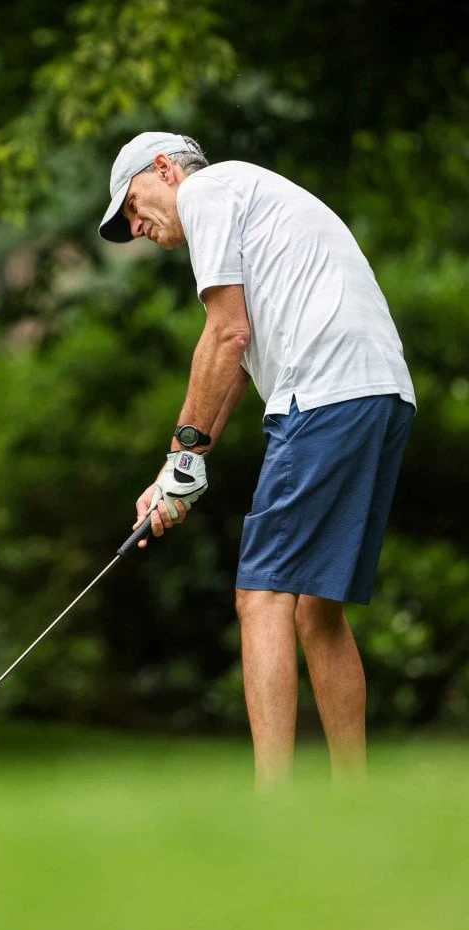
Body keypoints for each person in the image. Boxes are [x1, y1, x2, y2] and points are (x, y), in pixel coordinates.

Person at [98, 132, 416, 787]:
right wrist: (180, 472)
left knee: (261, 595)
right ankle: (353, 796)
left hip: (325, 396)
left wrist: (177, 457)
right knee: (314, 609)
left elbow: (225, 332)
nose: (136, 227)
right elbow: (238, 364)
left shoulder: (210, 191)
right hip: (381, 395)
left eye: (133, 206)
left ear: (165, 168)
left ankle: (273, 806)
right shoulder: (253, 201)